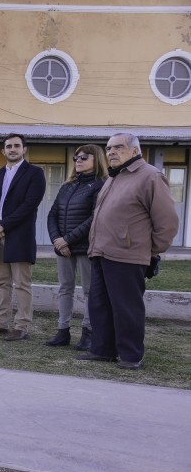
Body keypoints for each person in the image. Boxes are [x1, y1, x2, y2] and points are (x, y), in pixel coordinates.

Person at [78, 133, 179, 370]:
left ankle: (131, 356)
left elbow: (167, 222)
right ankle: (103, 350)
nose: (111, 152)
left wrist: (148, 249)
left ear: (134, 151)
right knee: (100, 305)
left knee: (126, 308)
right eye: (108, 148)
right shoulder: (114, 176)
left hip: (127, 255)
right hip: (101, 252)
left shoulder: (150, 176)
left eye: (118, 147)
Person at [0, 134, 46, 341]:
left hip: (19, 236)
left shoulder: (34, 173)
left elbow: (29, 204)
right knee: (1, 282)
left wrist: (3, 225)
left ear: (24, 149)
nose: (13, 149)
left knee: (22, 283)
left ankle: (22, 325)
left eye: (17, 146)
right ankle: (0, 322)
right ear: (3, 151)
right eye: (9, 146)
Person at [45, 145, 107, 349]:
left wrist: (68, 239)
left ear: (96, 159)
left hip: (85, 246)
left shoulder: (101, 185)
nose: (78, 160)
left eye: (84, 157)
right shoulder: (68, 185)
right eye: (76, 157)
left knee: (89, 291)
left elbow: (94, 217)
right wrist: (57, 240)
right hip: (63, 248)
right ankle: (63, 331)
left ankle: (88, 333)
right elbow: (52, 214)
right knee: (65, 288)